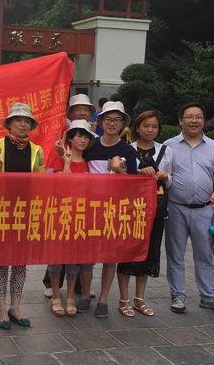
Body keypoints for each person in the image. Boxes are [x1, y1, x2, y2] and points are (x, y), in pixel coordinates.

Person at [164, 102, 214, 314]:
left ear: (204, 120)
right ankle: (178, 295)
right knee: (175, 254)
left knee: (204, 255)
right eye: (189, 116)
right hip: (175, 208)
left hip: (204, 209)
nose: (194, 120)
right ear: (180, 120)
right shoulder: (168, 146)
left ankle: (208, 296)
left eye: (198, 117)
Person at [0, 102, 44, 330]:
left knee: (20, 261)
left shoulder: (37, 150)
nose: (22, 124)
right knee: (0, 262)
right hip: (0, 210)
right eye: (18, 120)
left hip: (25, 212)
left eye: (27, 121)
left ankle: (16, 307)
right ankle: (1, 308)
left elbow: (41, 182)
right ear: (9, 123)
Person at [82, 100, 138, 317]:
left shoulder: (128, 150)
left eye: (117, 120)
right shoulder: (90, 147)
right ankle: (85, 294)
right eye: (107, 119)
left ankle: (103, 299)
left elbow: (134, 184)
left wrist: (120, 172)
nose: (112, 123)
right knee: (87, 256)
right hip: (90, 209)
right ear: (100, 122)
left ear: (123, 123)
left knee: (110, 257)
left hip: (115, 211)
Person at [117, 110, 173, 317]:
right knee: (127, 253)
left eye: (154, 126)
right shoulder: (126, 149)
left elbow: (170, 182)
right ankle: (124, 299)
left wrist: (165, 177)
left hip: (155, 208)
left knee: (149, 252)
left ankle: (139, 299)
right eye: (146, 126)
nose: (150, 130)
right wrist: (138, 172)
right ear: (138, 128)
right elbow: (119, 178)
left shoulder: (166, 150)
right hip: (131, 209)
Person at [43, 93, 96, 297]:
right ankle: (54, 288)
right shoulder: (59, 147)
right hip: (62, 211)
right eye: (78, 109)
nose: (82, 112)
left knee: (77, 254)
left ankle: (76, 290)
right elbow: (57, 184)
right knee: (58, 253)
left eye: (86, 109)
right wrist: (65, 161)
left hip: (82, 213)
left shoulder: (89, 157)